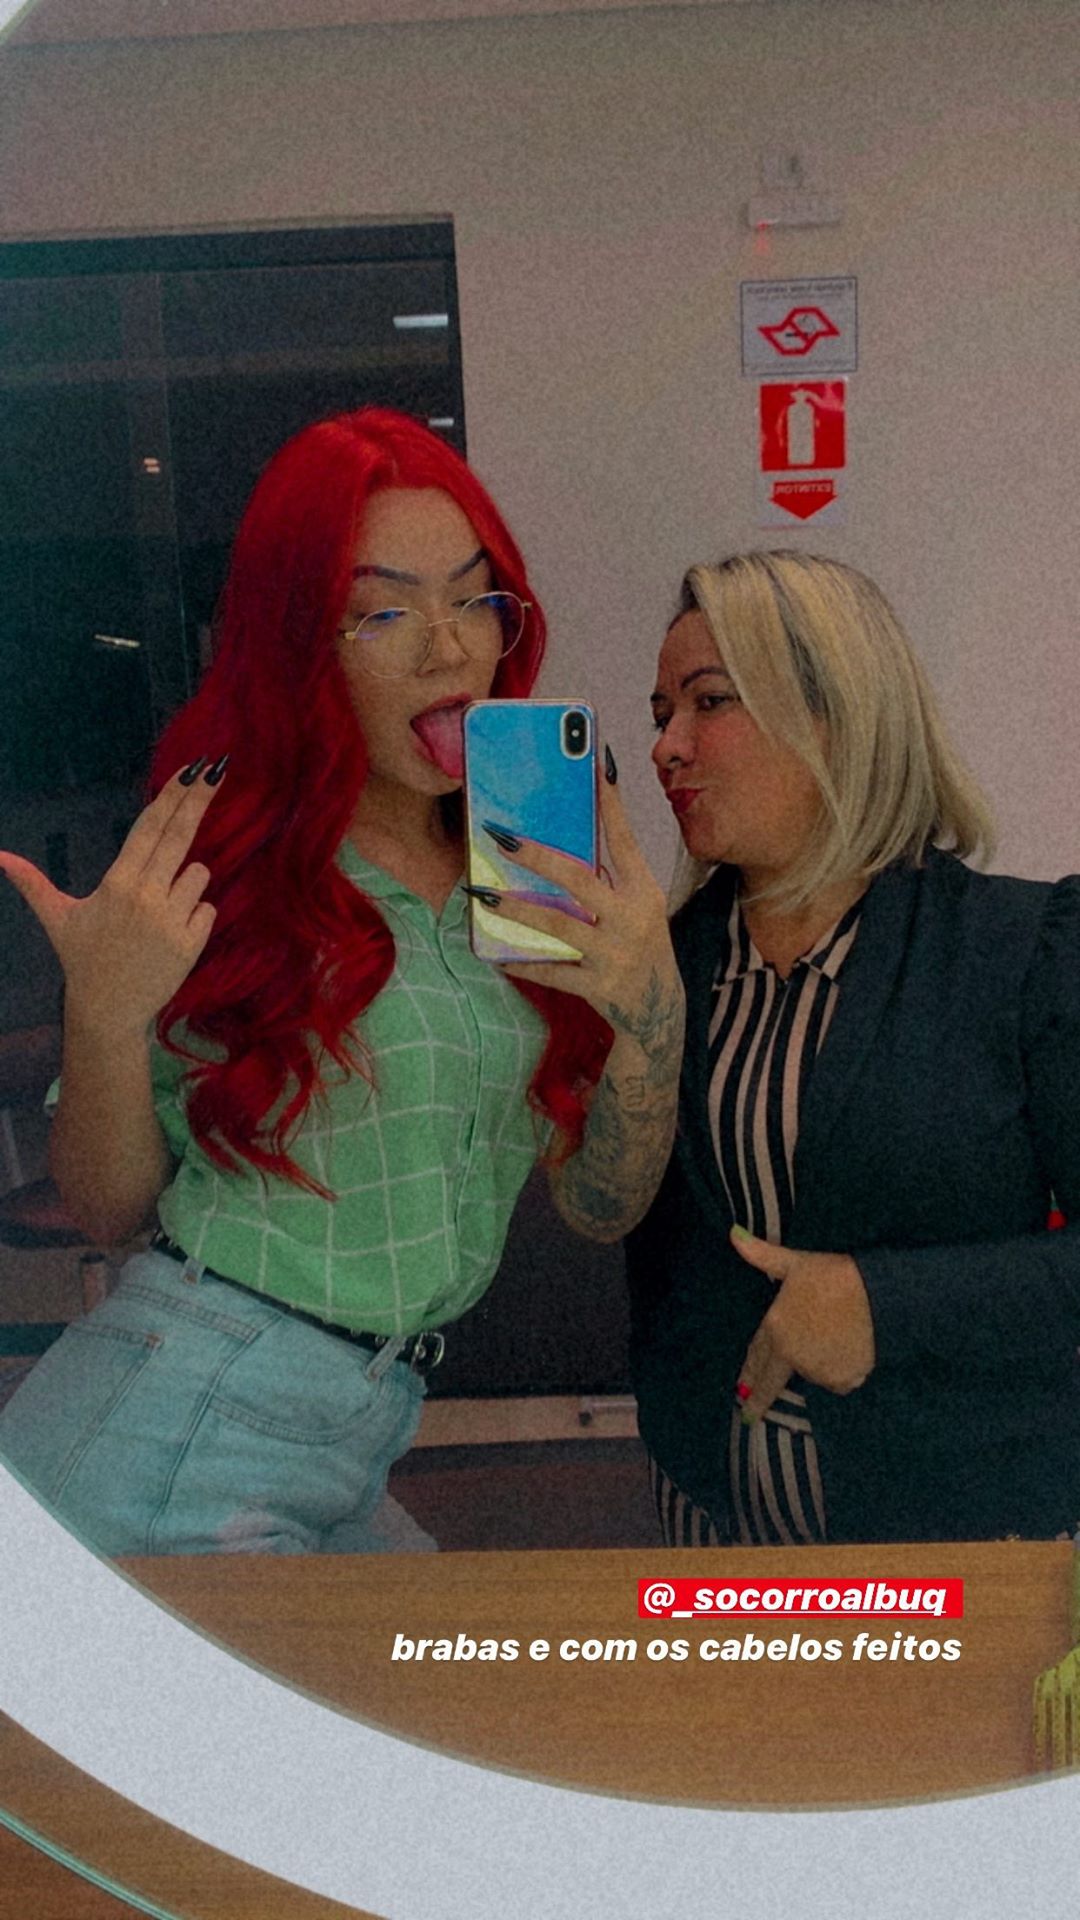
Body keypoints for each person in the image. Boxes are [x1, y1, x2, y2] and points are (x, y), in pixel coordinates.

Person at [0, 407, 683, 1556]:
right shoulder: (231, 869)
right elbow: (113, 1212)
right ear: (301, 643)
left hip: (354, 1435)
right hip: (178, 1429)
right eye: (383, 610)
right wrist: (104, 1020)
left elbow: (600, 1206)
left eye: (475, 598)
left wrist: (651, 1007)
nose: (447, 649)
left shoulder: (525, 873)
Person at [627, 548, 1080, 1546]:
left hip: (958, 1558)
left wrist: (890, 1306)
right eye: (661, 714)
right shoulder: (661, 969)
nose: (667, 747)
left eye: (709, 702)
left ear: (835, 713)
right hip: (707, 1539)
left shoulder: (1021, 953)